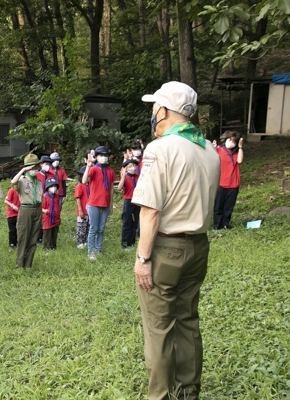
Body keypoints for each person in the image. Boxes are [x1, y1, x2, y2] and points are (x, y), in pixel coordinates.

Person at [133, 81, 220, 399]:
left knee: (159, 328)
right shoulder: (209, 149)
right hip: (198, 247)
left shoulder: (161, 149)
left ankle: (159, 395)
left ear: (165, 110)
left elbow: (151, 211)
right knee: (187, 321)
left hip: (166, 250)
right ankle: (188, 392)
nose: (153, 114)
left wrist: (143, 259)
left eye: (154, 107)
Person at [82, 145, 116, 260]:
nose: (104, 158)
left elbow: (111, 188)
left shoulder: (110, 171)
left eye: (106, 155)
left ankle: (98, 250)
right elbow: (84, 180)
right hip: (93, 204)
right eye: (101, 155)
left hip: (105, 204)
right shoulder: (94, 169)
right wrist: (88, 167)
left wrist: (111, 204)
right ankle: (90, 251)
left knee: (101, 229)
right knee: (93, 228)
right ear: (96, 157)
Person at [11, 154, 43, 268]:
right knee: (23, 237)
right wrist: (23, 170)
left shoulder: (39, 182)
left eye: (35, 167)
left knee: (33, 239)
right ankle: (19, 265)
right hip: (26, 210)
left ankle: (28, 264)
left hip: (37, 209)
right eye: (31, 167)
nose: (33, 170)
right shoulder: (22, 180)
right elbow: (13, 182)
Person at [212, 130, 244, 230]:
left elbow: (240, 161)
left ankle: (225, 225)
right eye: (229, 139)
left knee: (229, 207)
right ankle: (217, 226)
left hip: (234, 184)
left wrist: (240, 146)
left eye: (233, 141)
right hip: (221, 183)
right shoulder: (219, 150)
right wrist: (213, 147)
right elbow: (211, 157)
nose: (230, 142)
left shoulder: (236, 153)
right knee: (218, 207)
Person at [117, 159, 140, 250]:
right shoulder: (126, 177)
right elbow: (119, 188)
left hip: (137, 202)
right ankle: (125, 243)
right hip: (128, 201)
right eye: (130, 166)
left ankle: (132, 242)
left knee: (136, 222)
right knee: (127, 222)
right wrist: (123, 176)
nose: (133, 168)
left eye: (134, 166)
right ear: (126, 168)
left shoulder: (138, 177)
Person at [41, 178, 61, 250]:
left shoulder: (56, 196)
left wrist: (58, 217)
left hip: (55, 218)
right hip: (47, 218)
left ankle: (53, 247)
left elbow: (58, 207)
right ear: (48, 188)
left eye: (55, 186)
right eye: (52, 186)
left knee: (54, 234)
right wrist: (44, 210)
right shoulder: (45, 196)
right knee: (47, 234)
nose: (54, 188)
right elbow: (40, 207)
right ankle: (46, 248)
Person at [74, 165, 90, 249]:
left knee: (88, 226)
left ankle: (86, 241)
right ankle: (80, 242)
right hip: (83, 210)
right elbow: (78, 198)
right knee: (81, 227)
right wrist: (80, 210)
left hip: (89, 211)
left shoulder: (90, 186)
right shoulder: (79, 186)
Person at [4, 184, 20, 249]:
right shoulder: (11, 191)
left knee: (18, 230)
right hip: (11, 214)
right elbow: (6, 200)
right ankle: (12, 244)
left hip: (19, 213)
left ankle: (17, 243)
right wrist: (12, 205)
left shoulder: (21, 191)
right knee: (12, 230)